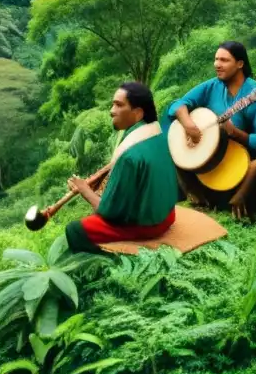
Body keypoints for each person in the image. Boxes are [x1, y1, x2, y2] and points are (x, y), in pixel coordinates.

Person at [64, 82, 179, 253]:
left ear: (138, 113)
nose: (112, 110)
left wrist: (84, 190)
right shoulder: (160, 136)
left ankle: (104, 263)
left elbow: (108, 212)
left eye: (119, 105)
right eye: (113, 104)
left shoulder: (129, 157)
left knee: (74, 230)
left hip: (149, 225)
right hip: (168, 215)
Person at [166, 41, 256, 221]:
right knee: (176, 142)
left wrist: (236, 133)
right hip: (211, 161)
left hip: (239, 165)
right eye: (216, 59)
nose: (217, 64)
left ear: (239, 64)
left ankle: (235, 202)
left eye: (224, 60)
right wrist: (189, 125)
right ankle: (198, 199)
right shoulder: (212, 86)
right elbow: (177, 105)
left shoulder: (253, 94)